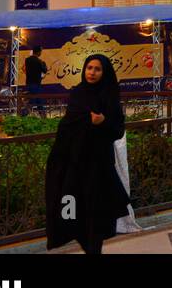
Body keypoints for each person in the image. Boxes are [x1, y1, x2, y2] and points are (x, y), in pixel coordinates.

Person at [44, 54, 132, 253]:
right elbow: (68, 124)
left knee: (96, 216)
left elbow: (117, 130)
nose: (92, 72)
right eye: (89, 68)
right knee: (74, 212)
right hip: (75, 164)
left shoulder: (109, 96)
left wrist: (102, 123)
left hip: (98, 166)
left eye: (97, 69)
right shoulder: (78, 93)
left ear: (105, 72)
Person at [24, 45, 48, 117]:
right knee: (35, 101)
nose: (41, 53)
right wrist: (44, 64)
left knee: (37, 101)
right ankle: (22, 114)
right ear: (38, 52)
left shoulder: (27, 60)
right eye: (40, 51)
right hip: (36, 84)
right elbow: (44, 70)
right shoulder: (39, 61)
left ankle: (43, 117)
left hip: (29, 83)